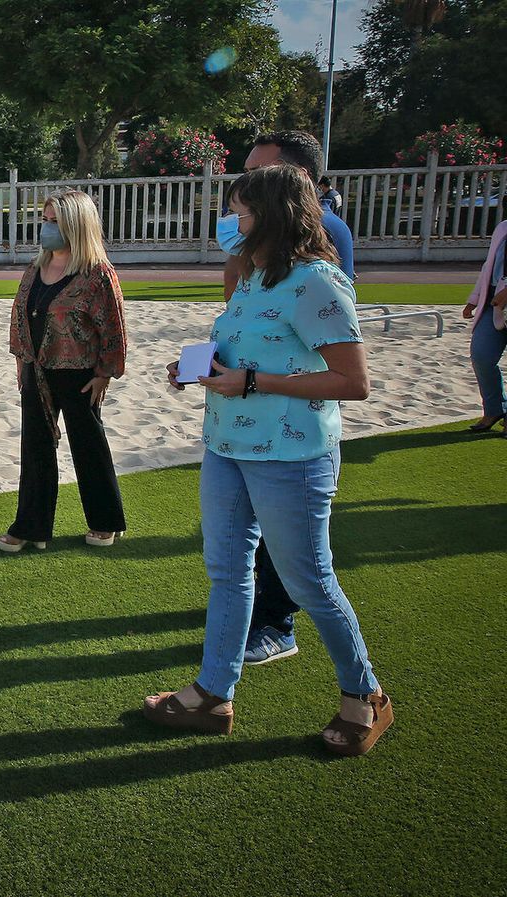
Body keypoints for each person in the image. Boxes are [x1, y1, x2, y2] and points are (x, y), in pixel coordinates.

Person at [148, 164, 391, 756]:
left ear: (276, 216)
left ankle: (366, 695)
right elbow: (242, 350)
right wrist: (198, 369)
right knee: (227, 572)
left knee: (310, 579)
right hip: (225, 447)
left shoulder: (317, 283)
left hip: (291, 456)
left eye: (243, 212)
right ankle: (213, 694)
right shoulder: (254, 278)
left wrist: (253, 381)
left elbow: (353, 382)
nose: (232, 223)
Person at [224, 131, 357, 666]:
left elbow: (332, 352)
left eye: (258, 174)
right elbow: (241, 316)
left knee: (302, 562)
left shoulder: (322, 247)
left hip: (291, 429)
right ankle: (222, 674)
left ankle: (279, 622)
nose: (242, 196)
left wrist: (256, 381)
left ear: (294, 182)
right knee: (237, 554)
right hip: (241, 428)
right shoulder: (255, 258)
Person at [0, 190, 127, 552]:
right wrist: (21, 361)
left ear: (76, 225)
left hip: (81, 374)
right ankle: (32, 526)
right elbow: (19, 318)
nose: (47, 227)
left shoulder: (97, 275)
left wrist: (105, 373)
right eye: (45, 219)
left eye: (55, 221)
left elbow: (114, 329)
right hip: (36, 372)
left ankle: (105, 520)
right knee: (35, 448)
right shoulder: (35, 269)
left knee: (88, 445)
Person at [463, 217, 507, 434]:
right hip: (493, 303)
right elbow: (488, 266)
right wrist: (474, 298)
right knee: (481, 355)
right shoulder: (502, 228)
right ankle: (495, 408)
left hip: (502, 298)